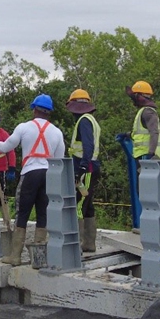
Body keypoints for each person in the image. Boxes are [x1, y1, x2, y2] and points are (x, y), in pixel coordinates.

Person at [0, 94, 65, 265]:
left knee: (22, 212)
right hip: (48, 175)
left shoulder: (24, 127)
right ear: (49, 112)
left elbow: (6, 146)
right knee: (43, 213)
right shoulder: (57, 132)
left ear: (34, 109)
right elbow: (59, 159)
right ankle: (39, 258)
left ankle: (15, 256)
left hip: (30, 173)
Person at [66, 89, 101, 252]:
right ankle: (89, 243)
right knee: (87, 204)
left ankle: (78, 245)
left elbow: (88, 146)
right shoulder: (90, 120)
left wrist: (81, 168)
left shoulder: (84, 121)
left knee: (79, 204)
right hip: (90, 169)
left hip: (86, 170)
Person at [126, 80, 160, 161]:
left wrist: (151, 153)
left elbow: (154, 132)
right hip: (143, 155)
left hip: (147, 156)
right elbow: (142, 134)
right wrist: (128, 135)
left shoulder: (148, 112)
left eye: (134, 97)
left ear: (139, 96)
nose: (133, 100)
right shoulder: (143, 111)